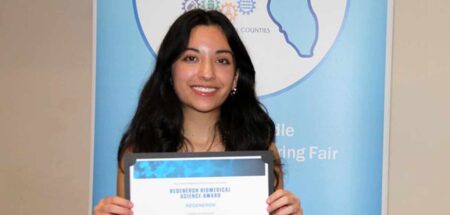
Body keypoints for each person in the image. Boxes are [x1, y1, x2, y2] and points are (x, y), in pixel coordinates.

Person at [94, 9, 303, 215]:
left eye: (221, 61)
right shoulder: (139, 153)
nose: (206, 73)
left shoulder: (260, 149)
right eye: (191, 58)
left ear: (236, 76)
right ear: (170, 71)